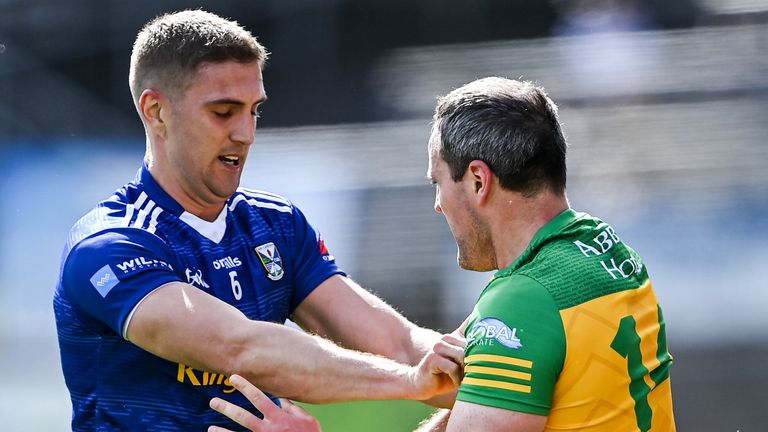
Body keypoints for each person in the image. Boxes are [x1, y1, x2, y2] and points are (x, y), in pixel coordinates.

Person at [53, 10, 464, 431]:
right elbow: (240, 349)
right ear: (156, 111)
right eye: (223, 112)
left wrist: (487, 371)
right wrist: (409, 382)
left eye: (253, 111)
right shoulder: (110, 245)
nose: (246, 134)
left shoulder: (276, 225)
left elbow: (398, 343)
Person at [212, 77, 677, 431]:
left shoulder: (523, 301)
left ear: (478, 180)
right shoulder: (608, 251)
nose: (438, 204)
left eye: (438, 182)